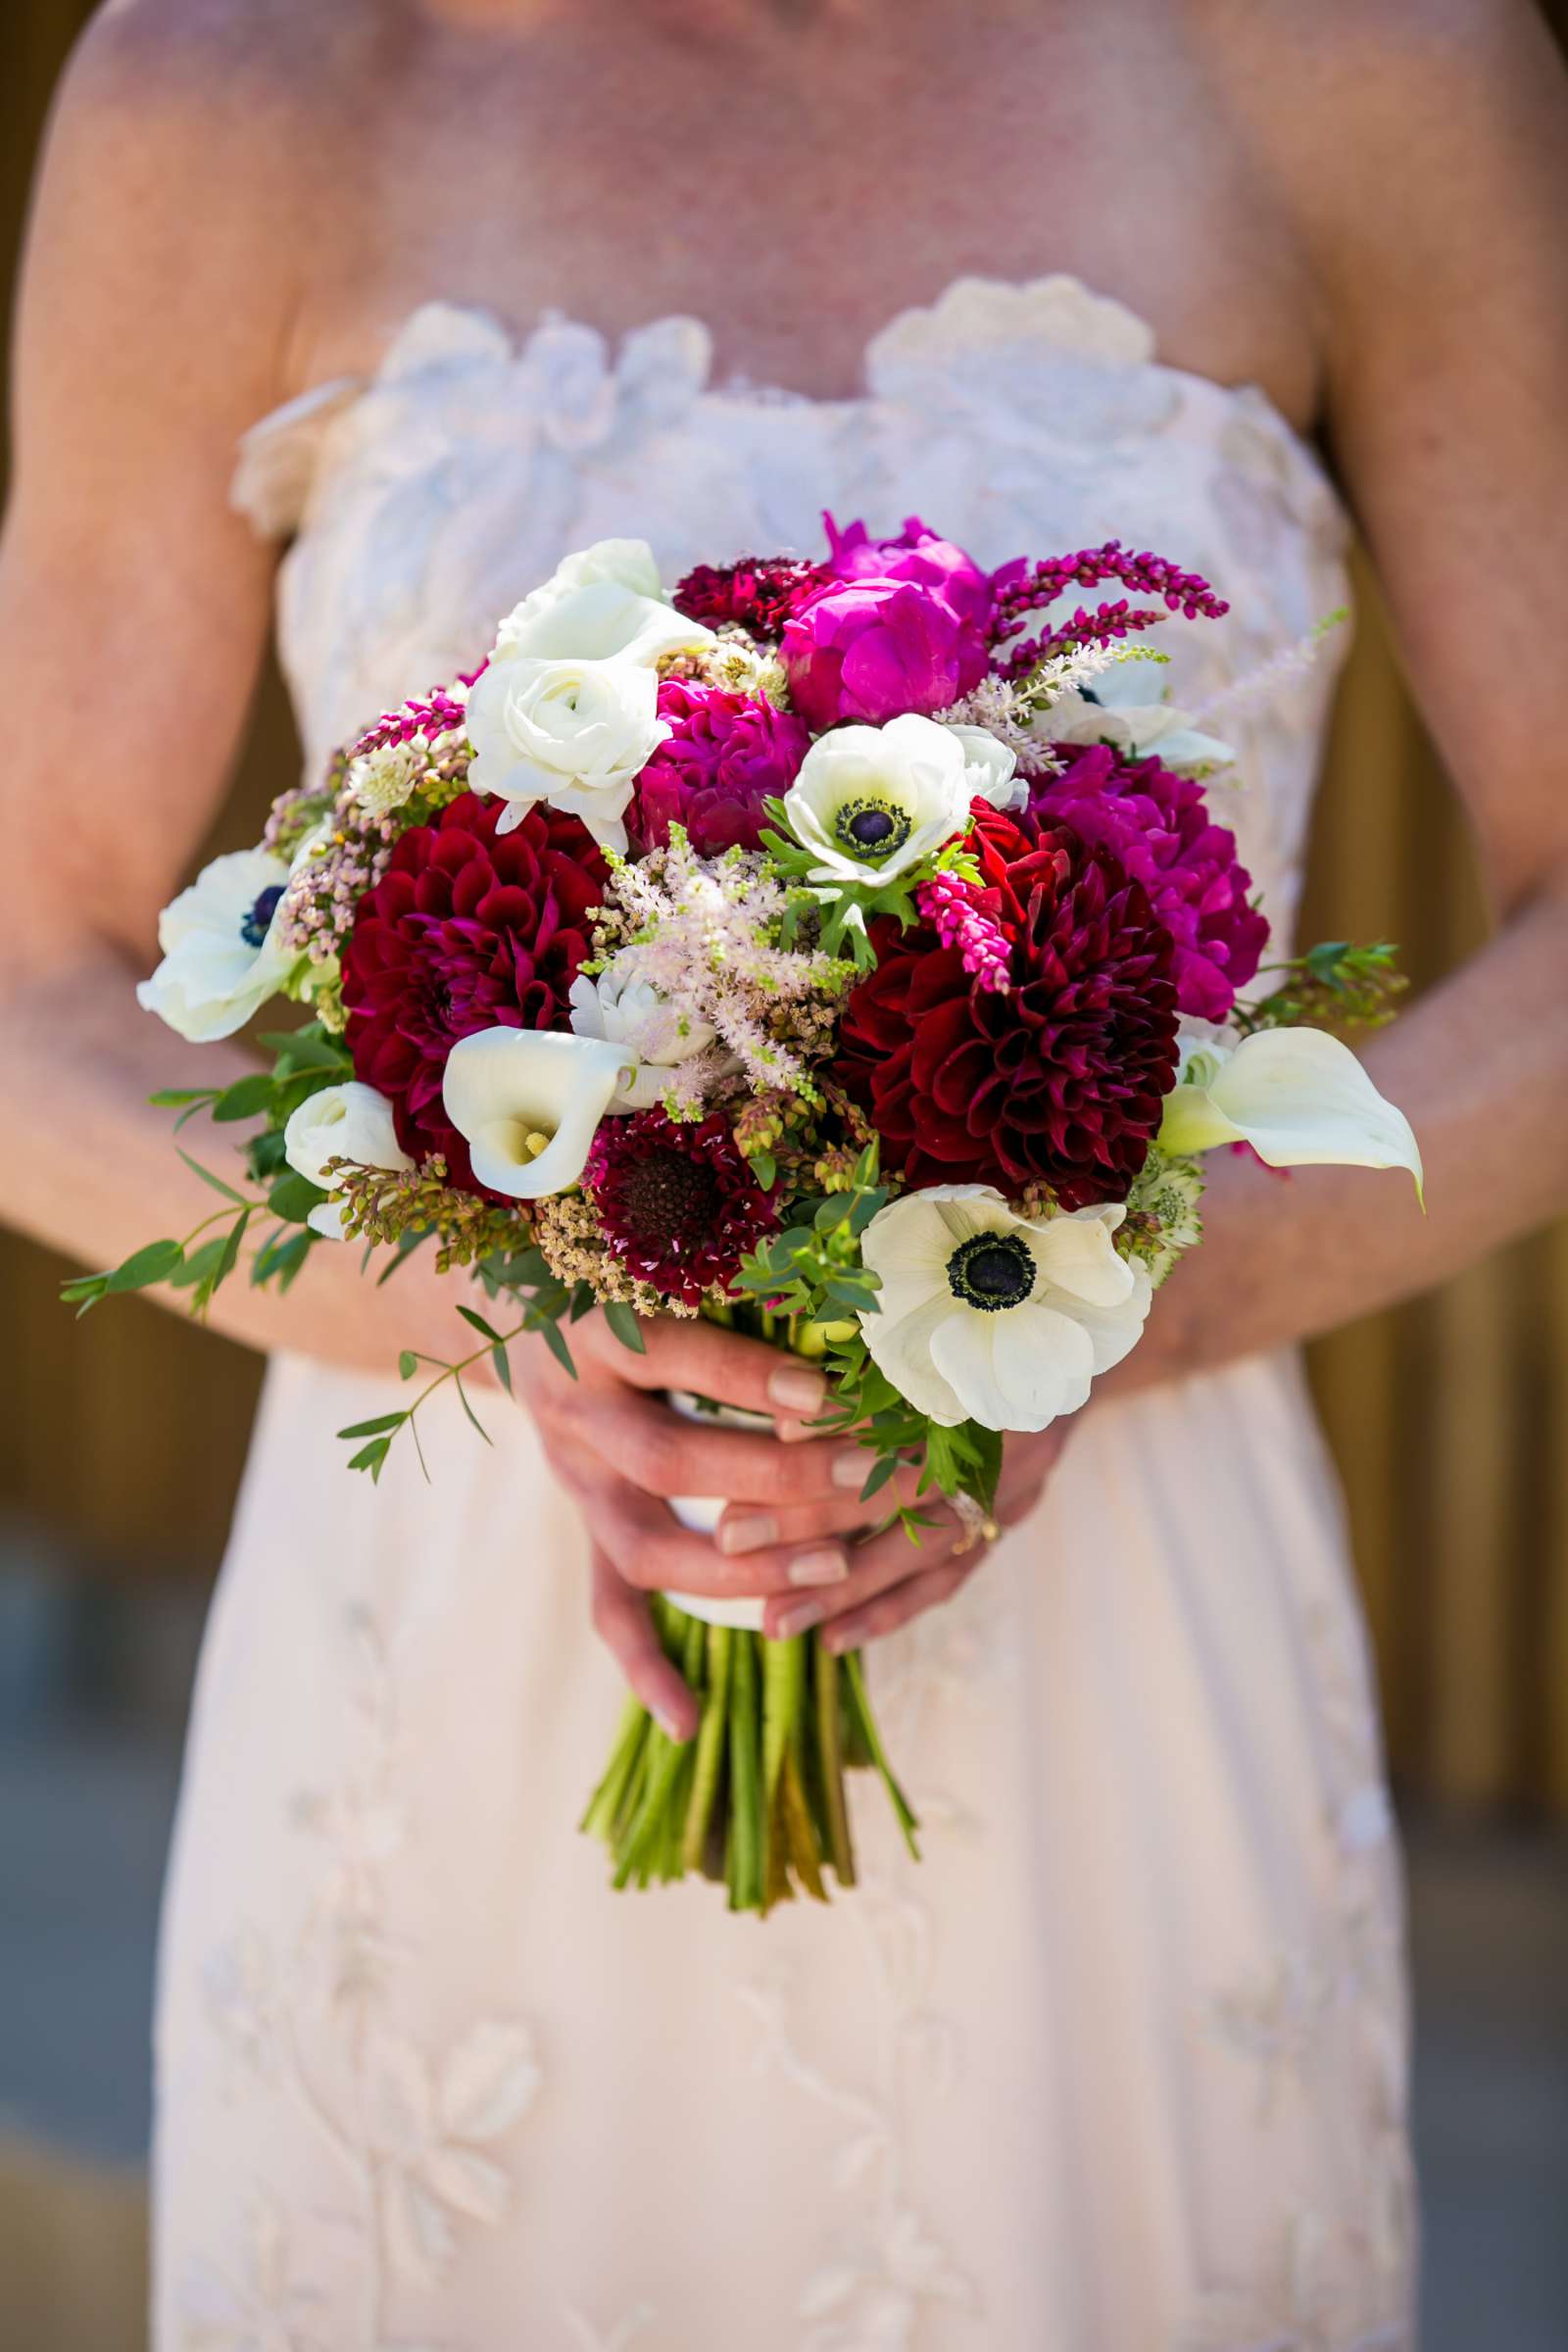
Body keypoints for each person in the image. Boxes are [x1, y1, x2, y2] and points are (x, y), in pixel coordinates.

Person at [3, 1, 1565, 2343]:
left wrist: (1102, 1322)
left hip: (1113, 1638)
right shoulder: (242, 80)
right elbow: (24, 978)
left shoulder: (1358, 57)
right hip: (457, 1652)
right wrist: (502, 1314)